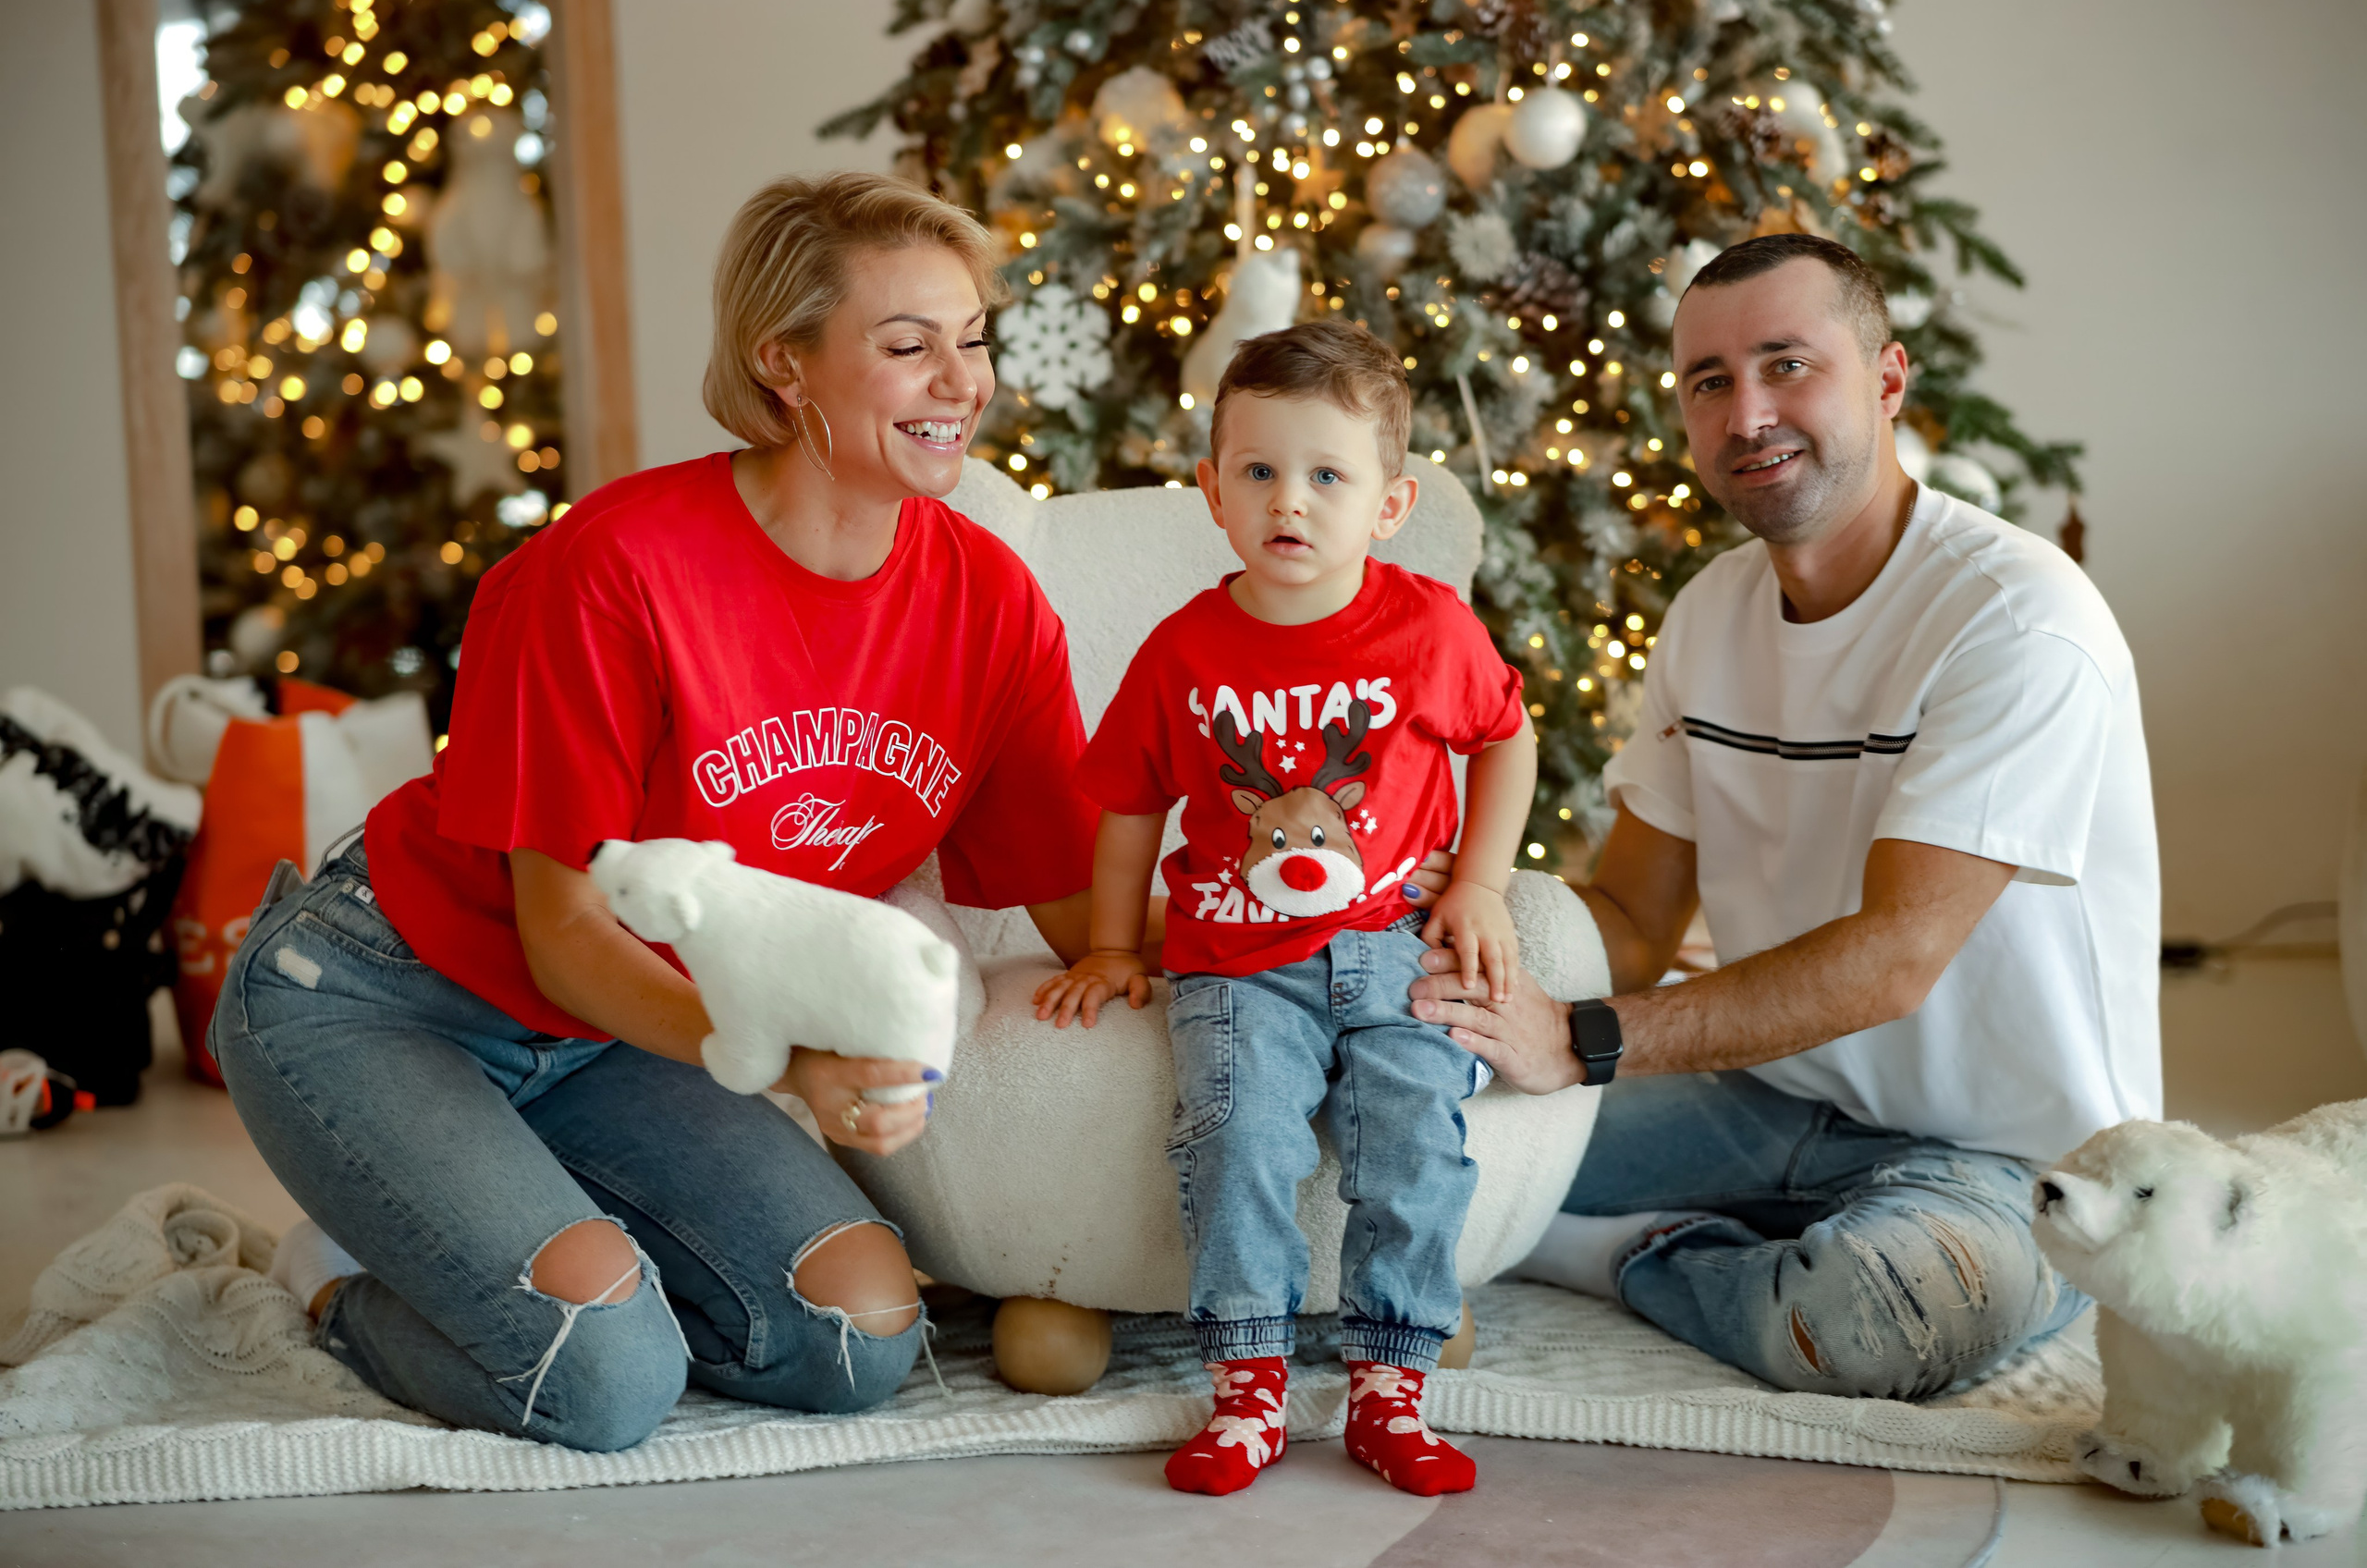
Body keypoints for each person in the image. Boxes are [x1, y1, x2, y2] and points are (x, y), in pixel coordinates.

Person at [210, 173, 1105, 1452]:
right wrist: (788, 1066)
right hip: (381, 992)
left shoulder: (990, 602)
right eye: (909, 346)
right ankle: (339, 1273)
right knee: (605, 1378)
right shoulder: (612, 566)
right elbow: (564, 930)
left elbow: (1085, 909)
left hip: (621, 1040)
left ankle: (532, 1221)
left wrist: (1338, 933)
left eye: (973, 340)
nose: (961, 380)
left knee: (856, 1336)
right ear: (783, 364)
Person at [1407, 234, 2158, 1401]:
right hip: (1769, 1096)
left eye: (1786, 364)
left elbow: (1895, 957)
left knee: (1873, 1318)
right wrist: (1469, 918)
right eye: (1710, 382)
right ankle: (1563, 1218)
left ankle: (1595, 1253)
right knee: (1414, 1115)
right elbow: (1632, 917)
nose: (1747, 412)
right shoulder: (1709, 615)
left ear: (1887, 379)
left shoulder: (2016, 619)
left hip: (2017, 1162)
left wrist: (1584, 1043)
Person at [1036, 320, 1537, 1497]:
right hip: (1235, 969)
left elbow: (1507, 738)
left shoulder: (1427, 630)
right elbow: (1125, 807)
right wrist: (1113, 946)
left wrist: (1480, 881)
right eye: (1257, 472)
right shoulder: (1183, 652)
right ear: (1211, 491)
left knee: (1417, 1144)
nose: (1289, 504)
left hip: (1396, 955)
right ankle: (1247, 1389)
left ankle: (1389, 1386)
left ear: (1391, 502)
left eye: (1326, 476)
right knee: (1239, 1140)